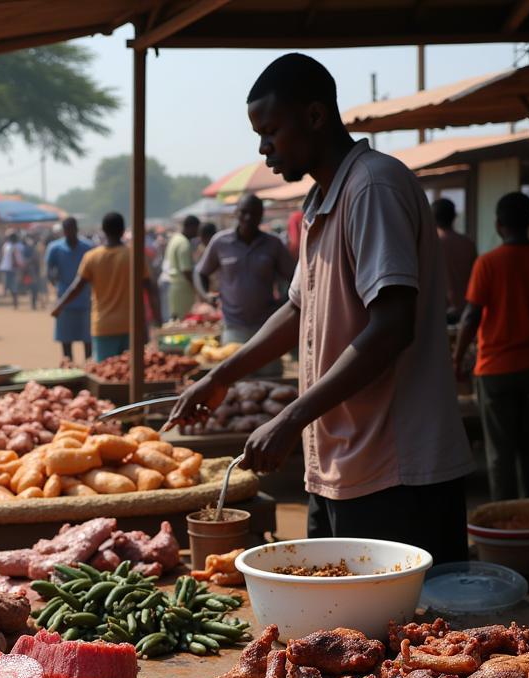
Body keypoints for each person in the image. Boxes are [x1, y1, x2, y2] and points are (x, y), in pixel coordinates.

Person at [168, 53, 472, 565]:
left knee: (407, 637)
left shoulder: (372, 186)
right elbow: (295, 312)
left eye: (271, 130)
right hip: (340, 466)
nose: (264, 148)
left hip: (397, 472)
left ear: (314, 116)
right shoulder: (320, 201)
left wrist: (289, 418)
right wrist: (219, 376)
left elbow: (392, 326)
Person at [454, 191, 529, 501]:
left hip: (494, 369)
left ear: (499, 225)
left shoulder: (488, 263)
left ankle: (505, 519)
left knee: (499, 453)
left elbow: (471, 317)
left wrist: (457, 357)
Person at [199, 193, 296, 376]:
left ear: (261, 215)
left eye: (254, 213)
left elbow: (294, 276)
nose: (248, 218)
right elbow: (201, 272)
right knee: (235, 382)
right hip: (234, 326)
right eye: (244, 212)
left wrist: (285, 302)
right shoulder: (220, 242)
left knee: (270, 380)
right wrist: (206, 296)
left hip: (266, 327)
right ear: (235, 213)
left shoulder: (273, 244)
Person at [50, 211, 161, 362]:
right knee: (132, 374)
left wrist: (60, 306)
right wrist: (157, 321)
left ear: (103, 230)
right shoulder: (135, 256)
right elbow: (150, 288)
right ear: (123, 231)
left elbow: (76, 287)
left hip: (104, 326)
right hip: (132, 325)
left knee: (107, 374)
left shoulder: (92, 257)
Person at [45, 216, 93, 361]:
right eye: (67, 230)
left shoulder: (88, 247)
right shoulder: (55, 248)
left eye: (72, 230)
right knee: (66, 341)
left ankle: (88, 367)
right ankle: (68, 367)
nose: (70, 233)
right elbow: (49, 270)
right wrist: (55, 284)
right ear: (63, 231)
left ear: (77, 230)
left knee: (88, 339)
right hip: (64, 299)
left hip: (85, 300)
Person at [432, 197, 477, 323]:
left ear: (432, 219)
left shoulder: (432, 246)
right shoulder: (468, 243)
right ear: (454, 216)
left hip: (441, 311)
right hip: (467, 310)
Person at [165, 215, 200, 319]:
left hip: (175, 288)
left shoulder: (175, 239)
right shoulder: (183, 243)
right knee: (183, 321)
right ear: (191, 227)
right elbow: (186, 271)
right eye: (196, 229)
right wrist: (198, 289)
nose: (197, 233)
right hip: (183, 290)